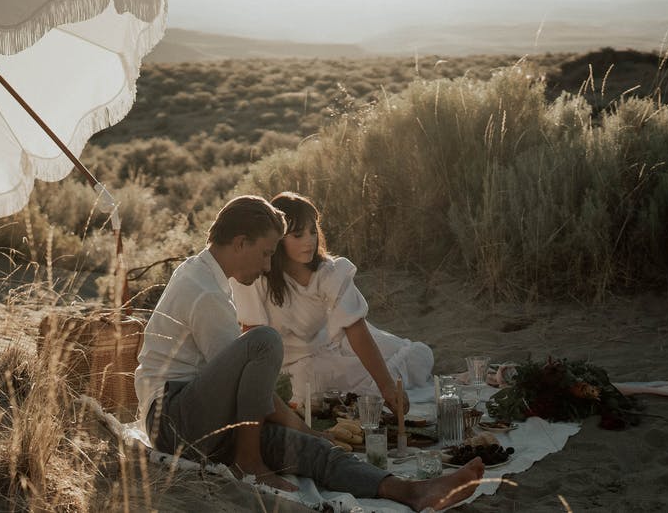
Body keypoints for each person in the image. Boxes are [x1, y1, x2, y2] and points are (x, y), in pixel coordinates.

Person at [135, 195, 483, 510]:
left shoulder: (205, 274)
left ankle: (411, 492)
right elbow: (250, 384)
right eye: (267, 253)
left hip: (204, 420)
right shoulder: (204, 291)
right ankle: (249, 462)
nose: (269, 265)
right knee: (265, 341)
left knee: (312, 451)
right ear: (241, 243)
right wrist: (300, 424)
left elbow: (246, 394)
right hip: (171, 416)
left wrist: (308, 434)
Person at [233, 192, 434, 417]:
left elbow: (355, 329)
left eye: (312, 231)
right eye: (298, 235)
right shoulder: (258, 275)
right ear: (277, 240)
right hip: (291, 368)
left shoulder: (329, 272)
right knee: (336, 387)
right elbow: (251, 336)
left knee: (419, 355)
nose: (309, 240)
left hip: (329, 344)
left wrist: (387, 385)